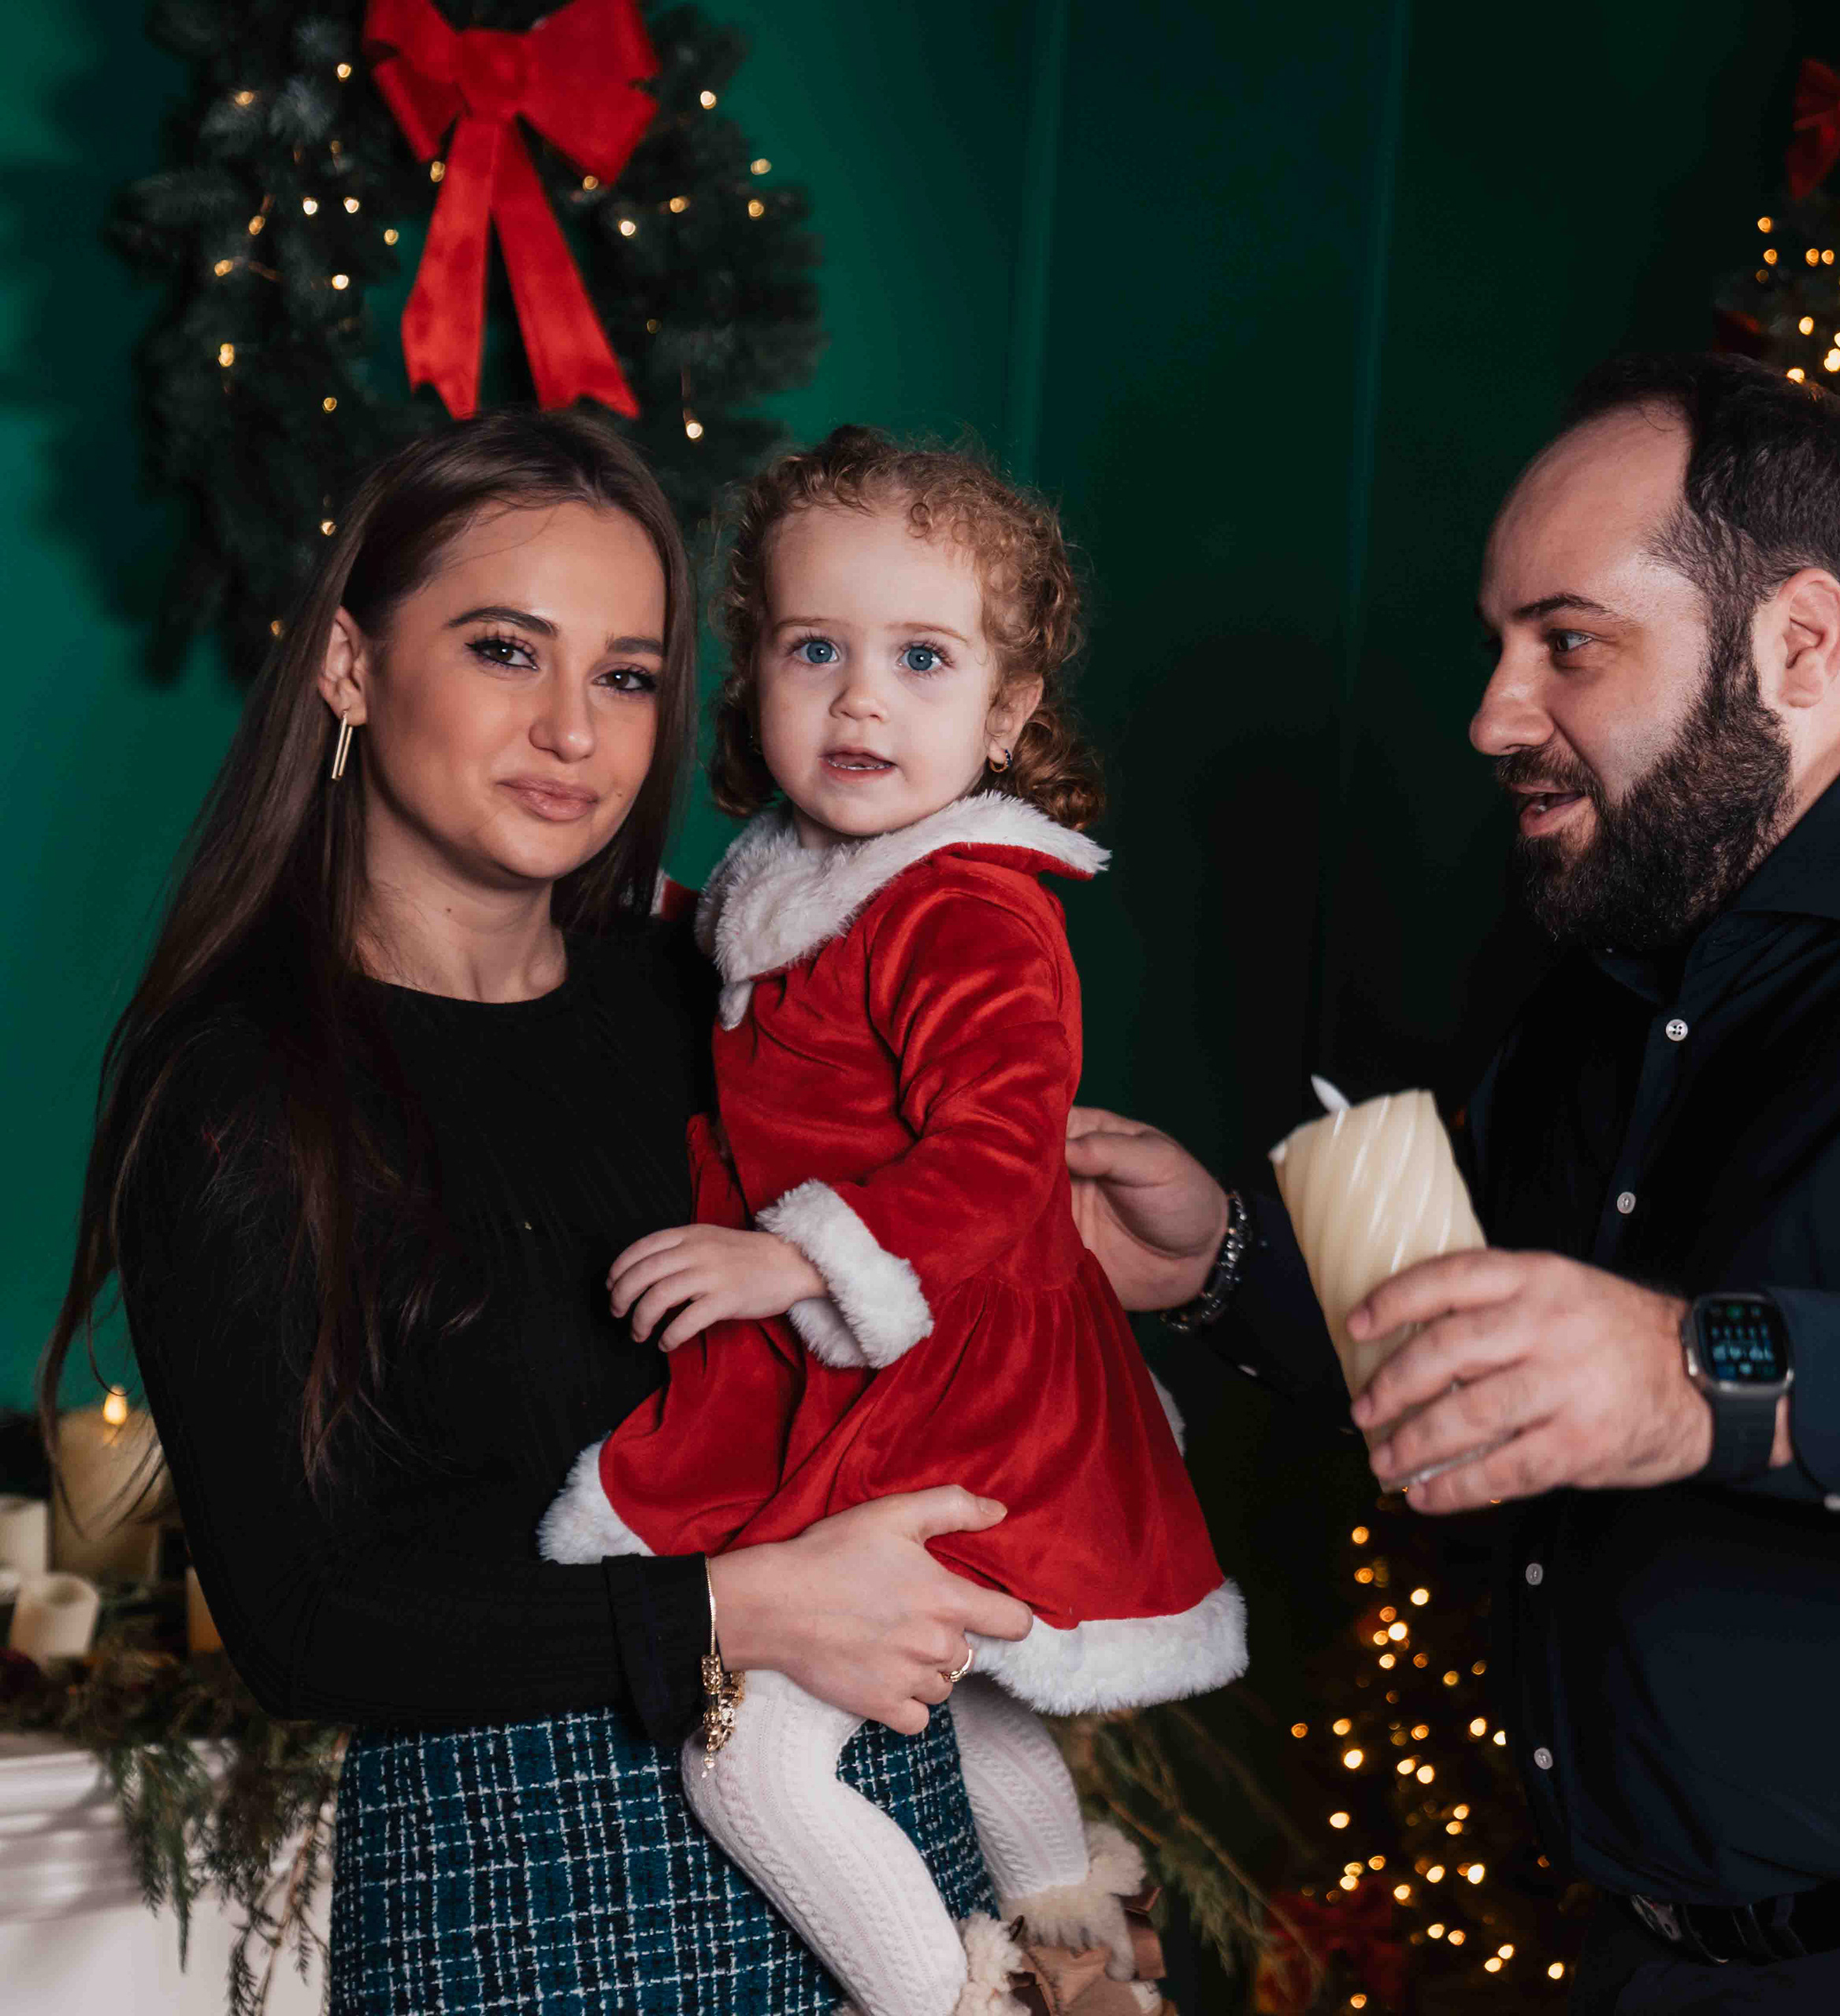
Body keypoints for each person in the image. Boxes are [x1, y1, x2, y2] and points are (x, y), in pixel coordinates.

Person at [1066, 354, 1840, 2014]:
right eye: (1499, 645)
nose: (1494, 715)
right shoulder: (1616, 981)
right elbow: (1494, 1334)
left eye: (1569, 644)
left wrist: (1696, 1373)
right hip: (1662, 1959)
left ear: (1797, 642)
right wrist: (1227, 1261)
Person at [40, 410, 1038, 2015]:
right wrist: (733, 1608)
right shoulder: (242, 1085)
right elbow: (300, 1623)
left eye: (627, 676)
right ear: (350, 664)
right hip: (527, 1891)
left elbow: (926, 1279)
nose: (572, 728)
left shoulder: (710, 992)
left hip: (895, 1833)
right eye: (506, 650)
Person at [537, 428, 1238, 2016]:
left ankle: (945, 1998)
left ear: (1007, 712)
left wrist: (796, 1255)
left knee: (750, 1765)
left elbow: (999, 1156)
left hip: (956, 1378)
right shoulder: (800, 874)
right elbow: (752, 990)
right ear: (755, 680)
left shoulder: (972, 904)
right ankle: (1074, 1951)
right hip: (919, 1367)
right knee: (978, 1686)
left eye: (922, 658)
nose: (862, 700)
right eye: (817, 650)